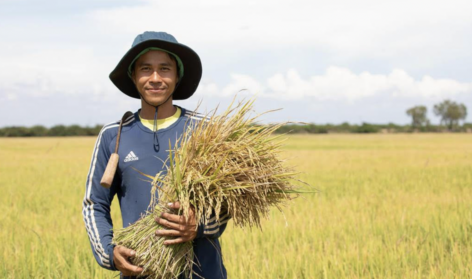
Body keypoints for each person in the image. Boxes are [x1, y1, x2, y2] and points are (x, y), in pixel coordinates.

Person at [82, 31, 229, 279]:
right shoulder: (113, 136)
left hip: (204, 272)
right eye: (146, 69)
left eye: (165, 69)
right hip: (141, 271)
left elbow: (229, 202)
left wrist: (198, 226)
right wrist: (109, 252)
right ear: (133, 75)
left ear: (178, 75)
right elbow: (94, 203)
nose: (155, 78)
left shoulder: (206, 130)